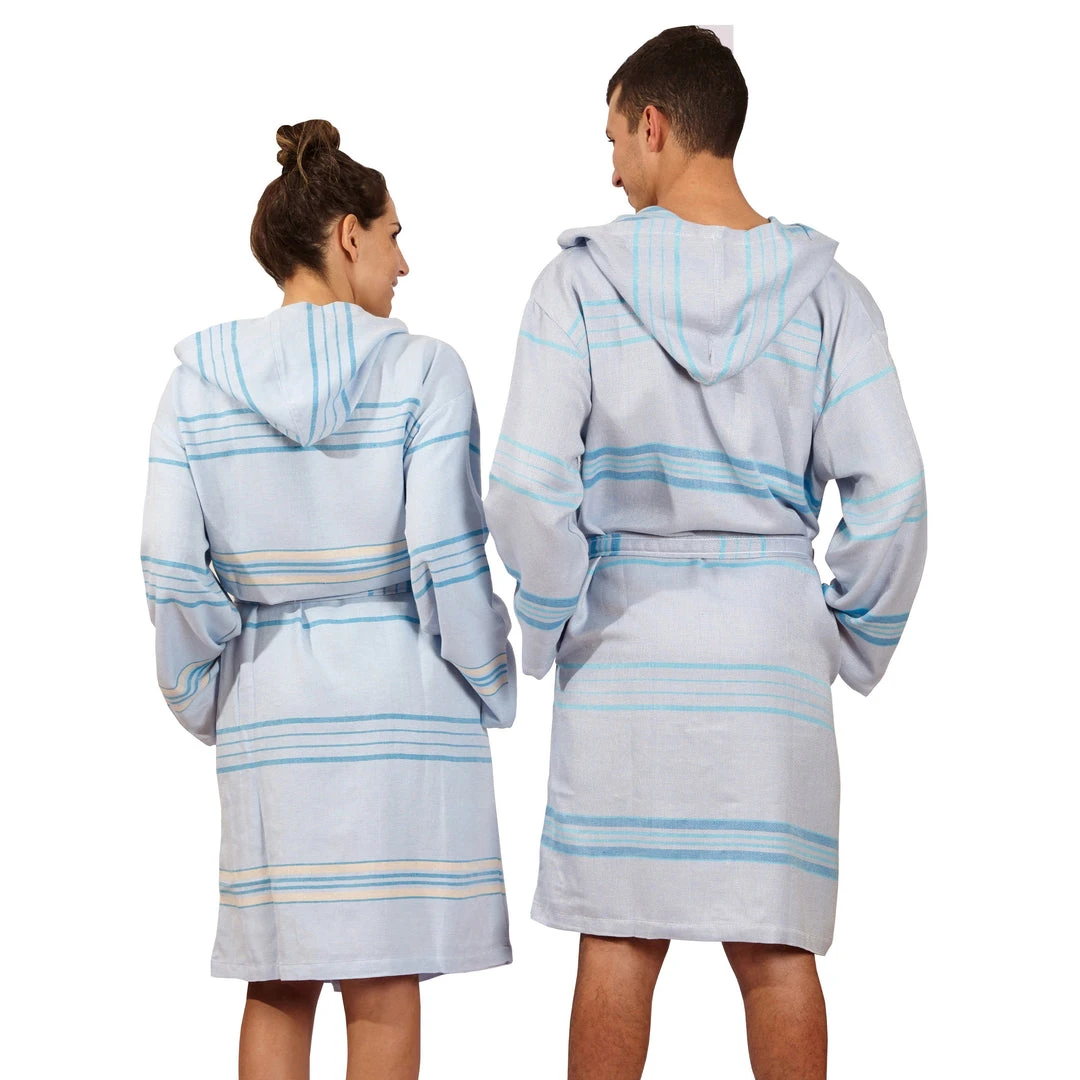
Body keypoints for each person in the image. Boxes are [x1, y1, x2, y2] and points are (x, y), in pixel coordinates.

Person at [484, 27, 926, 1080]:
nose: (610, 171)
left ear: (654, 125)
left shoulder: (577, 287)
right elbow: (897, 494)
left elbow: (526, 488)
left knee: (618, 940)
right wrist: (842, 635)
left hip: (624, 652)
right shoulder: (830, 297)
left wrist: (555, 615)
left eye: (613, 140)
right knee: (775, 951)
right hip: (772, 653)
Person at [141, 119, 516, 1080]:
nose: (405, 262)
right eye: (393, 235)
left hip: (271, 706)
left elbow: (172, 568)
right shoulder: (424, 369)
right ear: (349, 235)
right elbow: (447, 552)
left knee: (278, 980)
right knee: (384, 981)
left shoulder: (194, 388)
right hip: (402, 699)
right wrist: (489, 675)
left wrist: (203, 695)